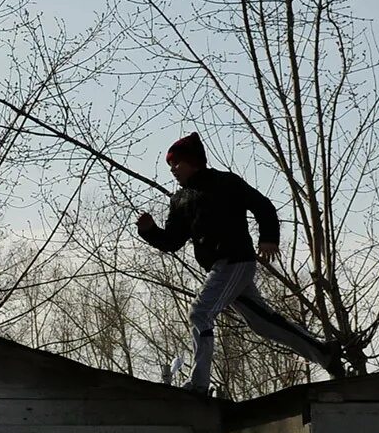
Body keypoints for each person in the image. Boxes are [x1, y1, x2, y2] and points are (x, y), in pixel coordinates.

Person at [137, 132, 346, 394]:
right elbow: (172, 241)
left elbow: (262, 206)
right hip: (219, 268)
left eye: (177, 164)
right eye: (170, 167)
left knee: (200, 313)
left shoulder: (224, 182)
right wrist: (149, 230)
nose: (173, 171)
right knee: (262, 322)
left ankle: (199, 383)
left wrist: (269, 238)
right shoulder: (180, 200)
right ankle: (325, 354)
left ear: (193, 162)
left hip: (235, 260)